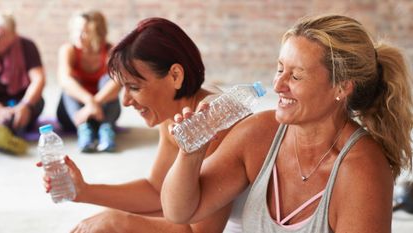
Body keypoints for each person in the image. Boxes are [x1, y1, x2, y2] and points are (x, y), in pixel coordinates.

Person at [161, 14, 413, 233]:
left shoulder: (361, 170)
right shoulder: (261, 133)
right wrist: (190, 155)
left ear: (342, 87)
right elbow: (180, 211)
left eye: (296, 75)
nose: (278, 85)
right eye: (280, 69)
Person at [38, 17, 247, 233]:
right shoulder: (173, 113)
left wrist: (118, 222)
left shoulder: (213, 119)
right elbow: (156, 191)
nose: (125, 101)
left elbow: (199, 231)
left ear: (175, 75)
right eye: (123, 88)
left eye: (134, 87)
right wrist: (83, 191)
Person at [56, 10, 121, 152]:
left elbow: (118, 84)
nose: (78, 36)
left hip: (103, 113)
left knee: (108, 78)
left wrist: (95, 103)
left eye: (85, 32)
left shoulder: (111, 50)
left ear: (98, 33)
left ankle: (106, 131)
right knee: (70, 83)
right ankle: (84, 131)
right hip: (75, 115)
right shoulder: (68, 49)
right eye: (76, 31)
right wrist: (90, 102)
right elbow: (64, 80)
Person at [0, 12, 45, 154]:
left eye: (2, 35)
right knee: (6, 118)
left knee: (37, 103)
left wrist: (24, 105)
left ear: (14, 34)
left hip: (22, 100)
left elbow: (38, 79)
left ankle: (8, 130)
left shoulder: (27, 46)